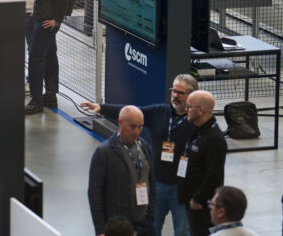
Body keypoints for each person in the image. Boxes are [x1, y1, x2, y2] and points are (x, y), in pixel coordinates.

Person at [81, 74, 199, 236]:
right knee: (152, 228)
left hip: (182, 188)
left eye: (180, 93)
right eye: (174, 91)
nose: (175, 95)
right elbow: (131, 112)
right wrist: (102, 108)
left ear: (191, 95)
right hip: (157, 185)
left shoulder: (196, 121)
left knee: (183, 231)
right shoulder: (160, 112)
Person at [87, 106, 155, 236]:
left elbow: (151, 181)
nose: (137, 131)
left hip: (144, 222)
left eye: (140, 127)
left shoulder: (145, 147)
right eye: (132, 126)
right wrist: (100, 229)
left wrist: (151, 214)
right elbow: (95, 193)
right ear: (120, 122)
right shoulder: (104, 152)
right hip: (119, 226)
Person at [24, 0, 68, 114]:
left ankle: (36, 100)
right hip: (42, 18)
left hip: (45, 23)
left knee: (35, 59)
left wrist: (56, 20)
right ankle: (50, 95)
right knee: (49, 56)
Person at [179, 90, 228, 236]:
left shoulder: (214, 140)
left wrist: (197, 199)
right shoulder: (197, 131)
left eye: (189, 106)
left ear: (200, 110)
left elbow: (214, 176)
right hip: (190, 201)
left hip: (202, 208)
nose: (186, 109)